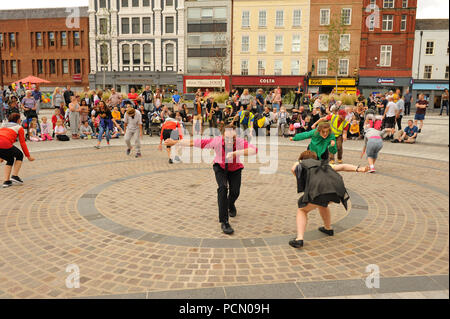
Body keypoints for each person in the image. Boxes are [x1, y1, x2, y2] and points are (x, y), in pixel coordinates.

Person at [164, 123, 258, 235]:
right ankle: (224, 222)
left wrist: (235, 153)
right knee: (222, 189)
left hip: (235, 169)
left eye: (232, 138)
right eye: (227, 137)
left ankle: (231, 204)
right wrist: (175, 142)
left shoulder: (239, 142)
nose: (229, 140)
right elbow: (193, 142)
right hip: (220, 167)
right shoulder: (216, 141)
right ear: (222, 135)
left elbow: (254, 150)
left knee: (235, 192)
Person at [289, 150, 352, 249]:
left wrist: (298, 163)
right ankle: (328, 228)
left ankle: (299, 239)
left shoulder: (302, 165)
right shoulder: (324, 165)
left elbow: (293, 169)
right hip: (334, 193)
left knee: (302, 209)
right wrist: (360, 169)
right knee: (322, 204)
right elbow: (343, 167)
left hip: (319, 193)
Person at [0, 113, 35, 188]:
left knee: (10, 159)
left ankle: (6, 181)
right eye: (20, 119)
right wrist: (28, 156)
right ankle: (14, 176)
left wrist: (2, 156)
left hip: (3, 144)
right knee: (19, 155)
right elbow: (22, 143)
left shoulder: (3, 125)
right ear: (18, 120)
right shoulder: (19, 127)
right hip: (5, 143)